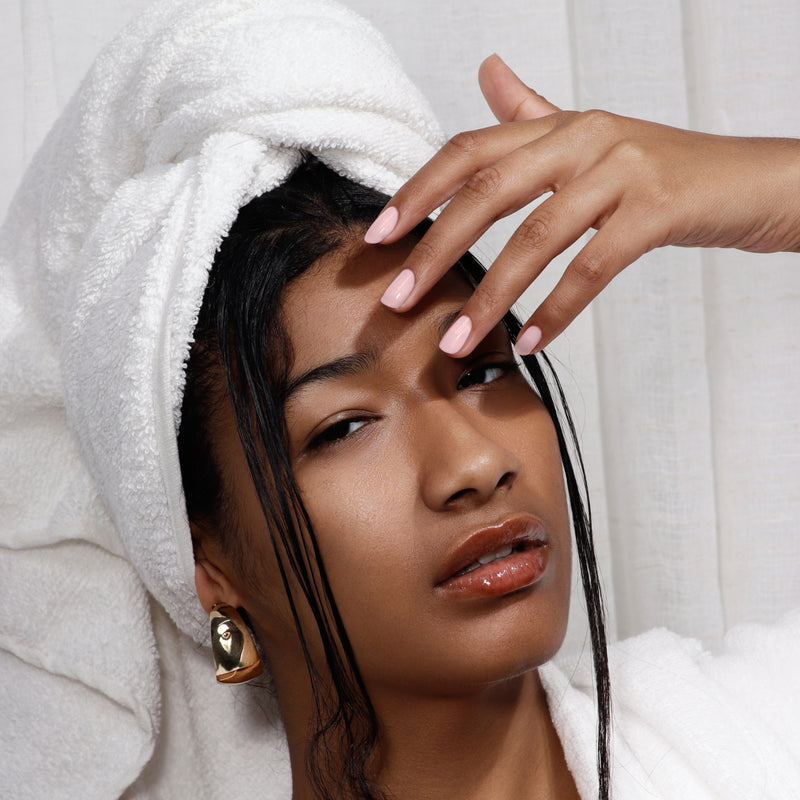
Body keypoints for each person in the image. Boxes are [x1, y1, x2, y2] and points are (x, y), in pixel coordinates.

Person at [1, 3, 798, 800]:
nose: (477, 464)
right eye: (345, 426)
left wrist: (771, 188)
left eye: (483, 371)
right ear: (208, 563)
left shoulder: (758, 735)